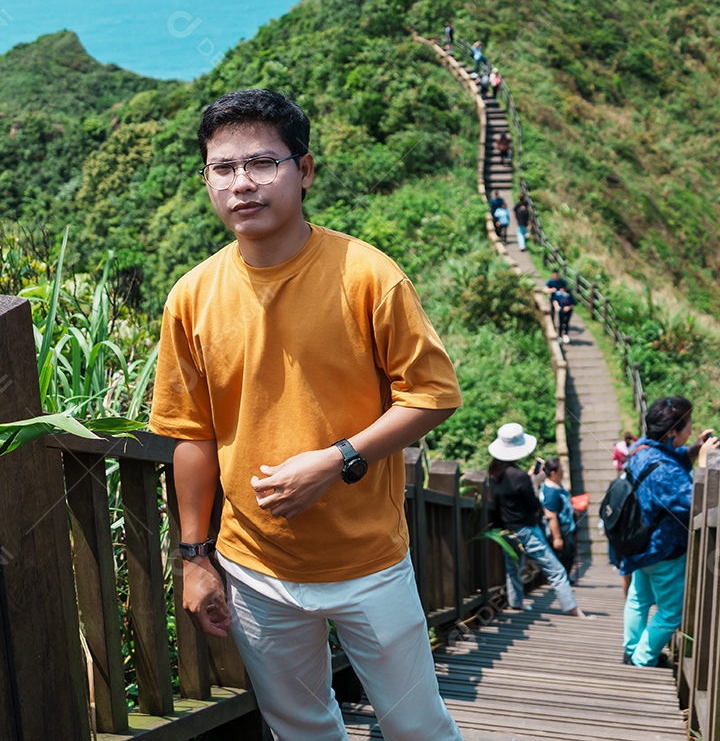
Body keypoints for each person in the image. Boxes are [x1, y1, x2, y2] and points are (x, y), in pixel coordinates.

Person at [149, 88, 464, 741]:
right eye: (224, 167)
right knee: (301, 731)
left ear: (305, 171)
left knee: (417, 729)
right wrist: (194, 556)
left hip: (368, 560)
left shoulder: (368, 276)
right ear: (206, 178)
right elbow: (191, 434)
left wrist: (338, 459)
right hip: (253, 565)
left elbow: (432, 394)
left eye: (264, 163)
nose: (243, 183)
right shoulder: (191, 298)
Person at [621, 396, 719, 668]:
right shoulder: (665, 473)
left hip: (641, 543)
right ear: (673, 431)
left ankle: (631, 649)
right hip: (664, 550)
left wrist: (694, 449)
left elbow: (668, 458)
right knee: (671, 612)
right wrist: (703, 462)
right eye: (688, 425)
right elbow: (694, 502)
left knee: (639, 599)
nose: (691, 429)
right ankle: (642, 660)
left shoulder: (641, 448)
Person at [488, 423, 586, 617]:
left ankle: (516, 603)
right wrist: (533, 483)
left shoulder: (493, 475)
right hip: (526, 530)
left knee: (513, 568)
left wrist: (530, 480)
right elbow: (533, 506)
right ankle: (573, 609)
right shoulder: (520, 477)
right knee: (555, 570)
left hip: (506, 531)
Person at [540, 458, 576, 578]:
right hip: (559, 530)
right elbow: (551, 516)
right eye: (561, 469)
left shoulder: (558, 485)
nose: (564, 471)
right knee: (562, 558)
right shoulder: (550, 492)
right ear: (553, 473)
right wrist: (557, 538)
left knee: (569, 556)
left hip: (567, 528)